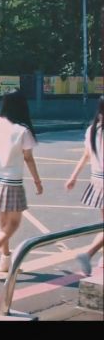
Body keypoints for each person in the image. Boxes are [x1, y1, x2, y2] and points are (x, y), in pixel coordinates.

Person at [0, 89, 43, 273]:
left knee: (3, 221)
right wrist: (37, 182)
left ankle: (5, 261)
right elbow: (28, 158)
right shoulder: (23, 130)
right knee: (13, 223)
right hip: (12, 181)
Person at [65, 95, 104, 276]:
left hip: (97, 181)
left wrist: (73, 177)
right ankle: (88, 254)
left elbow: (86, 155)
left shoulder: (92, 130)